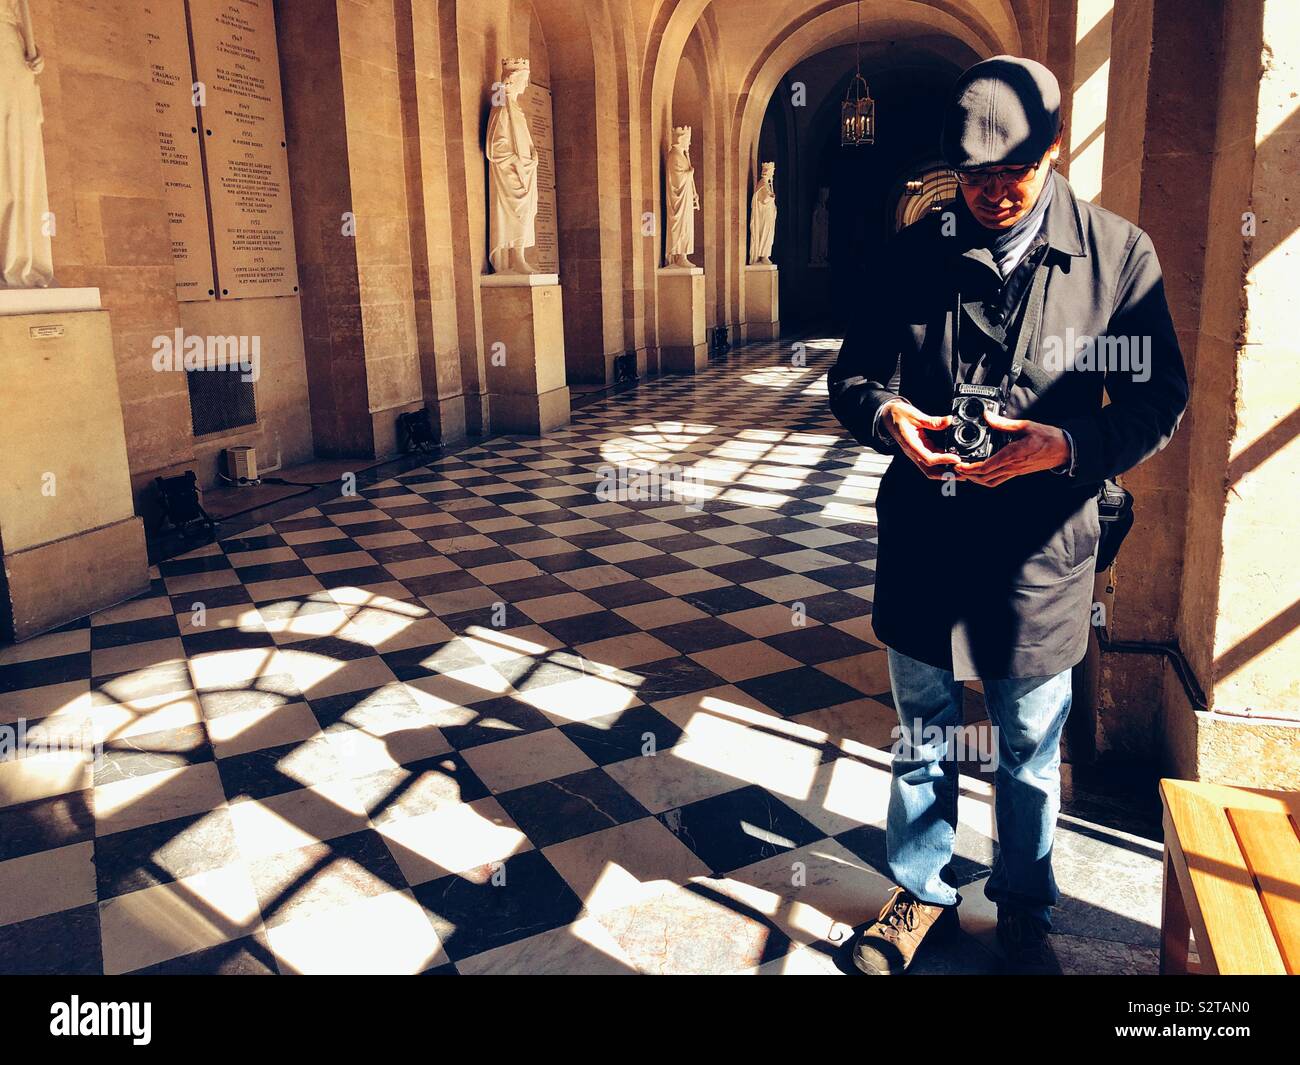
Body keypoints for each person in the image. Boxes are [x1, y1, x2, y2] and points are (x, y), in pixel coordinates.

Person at [827, 55, 1189, 975]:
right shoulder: (912, 252)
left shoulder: (1119, 256)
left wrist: (1065, 447)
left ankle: (1025, 901)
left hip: (1043, 549)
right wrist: (887, 417)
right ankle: (921, 894)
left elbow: (1158, 402)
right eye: (974, 177)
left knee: (1028, 743)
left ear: (1054, 150)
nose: (991, 194)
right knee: (924, 731)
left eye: (1012, 174)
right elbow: (852, 376)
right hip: (925, 537)